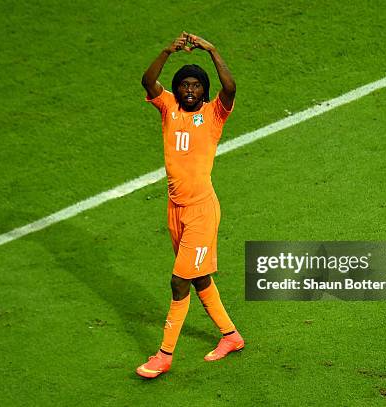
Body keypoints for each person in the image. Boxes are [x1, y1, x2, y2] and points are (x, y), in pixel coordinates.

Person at [136, 32, 243, 379]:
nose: (190, 90)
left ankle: (164, 355)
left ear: (204, 90)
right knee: (198, 280)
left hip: (201, 212)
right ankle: (231, 336)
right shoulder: (168, 109)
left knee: (179, 281)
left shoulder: (214, 115)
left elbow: (231, 88)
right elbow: (148, 81)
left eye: (197, 86)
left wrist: (213, 50)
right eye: (185, 85)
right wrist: (167, 50)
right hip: (175, 210)